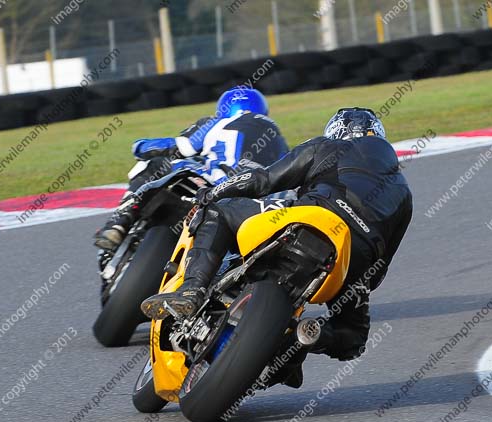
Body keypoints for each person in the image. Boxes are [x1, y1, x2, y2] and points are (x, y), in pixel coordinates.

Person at [141, 108, 413, 370]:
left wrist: (213, 193)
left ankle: (192, 289)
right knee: (353, 339)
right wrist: (356, 279)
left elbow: (263, 180)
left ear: (337, 131)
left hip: (312, 215)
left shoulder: (326, 146)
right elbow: (378, 272)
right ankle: (304, 336)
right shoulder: (404, 192)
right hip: (354, 257)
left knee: (218, 212)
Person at [94, 87, 289, 250]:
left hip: (214, 183)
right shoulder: (280, 140)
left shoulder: (216, 122)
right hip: (255, 205)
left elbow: (181, 147)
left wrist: (140, 146)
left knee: (156, 164)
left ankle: (119, 222)